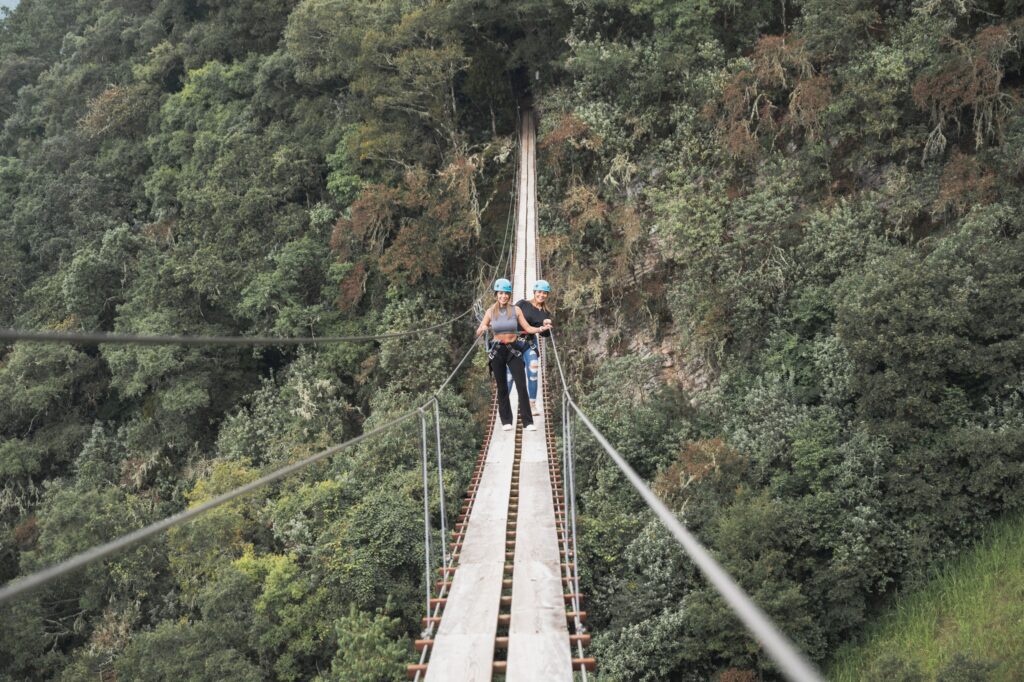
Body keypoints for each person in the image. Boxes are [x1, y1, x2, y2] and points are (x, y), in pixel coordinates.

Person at [476, 278, 552, 432]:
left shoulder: (516, 310)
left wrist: (540, 330)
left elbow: (528, 328)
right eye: (501, 293)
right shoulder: (490, 311)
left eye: (506, 294)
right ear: (496, 294)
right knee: (502, 386)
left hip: (513, 348)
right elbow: (479, 330)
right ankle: (506, 420)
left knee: (521, 384)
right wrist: (483, 328)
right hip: (497, 350)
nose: (503, 296)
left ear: (510, 295)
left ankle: (528, 422)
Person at [516, 279, 553, 415]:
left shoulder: (545, 313)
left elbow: (545, 335)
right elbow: (510, 316)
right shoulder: (522, 304)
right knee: (513, 375)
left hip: (530, 343)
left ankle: (531, 404)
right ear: (534, 292)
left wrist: (547, 325)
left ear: (547, 295)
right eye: (539, 292)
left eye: (545, 293)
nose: (541, 295)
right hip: (514, 342)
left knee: (533, 373)